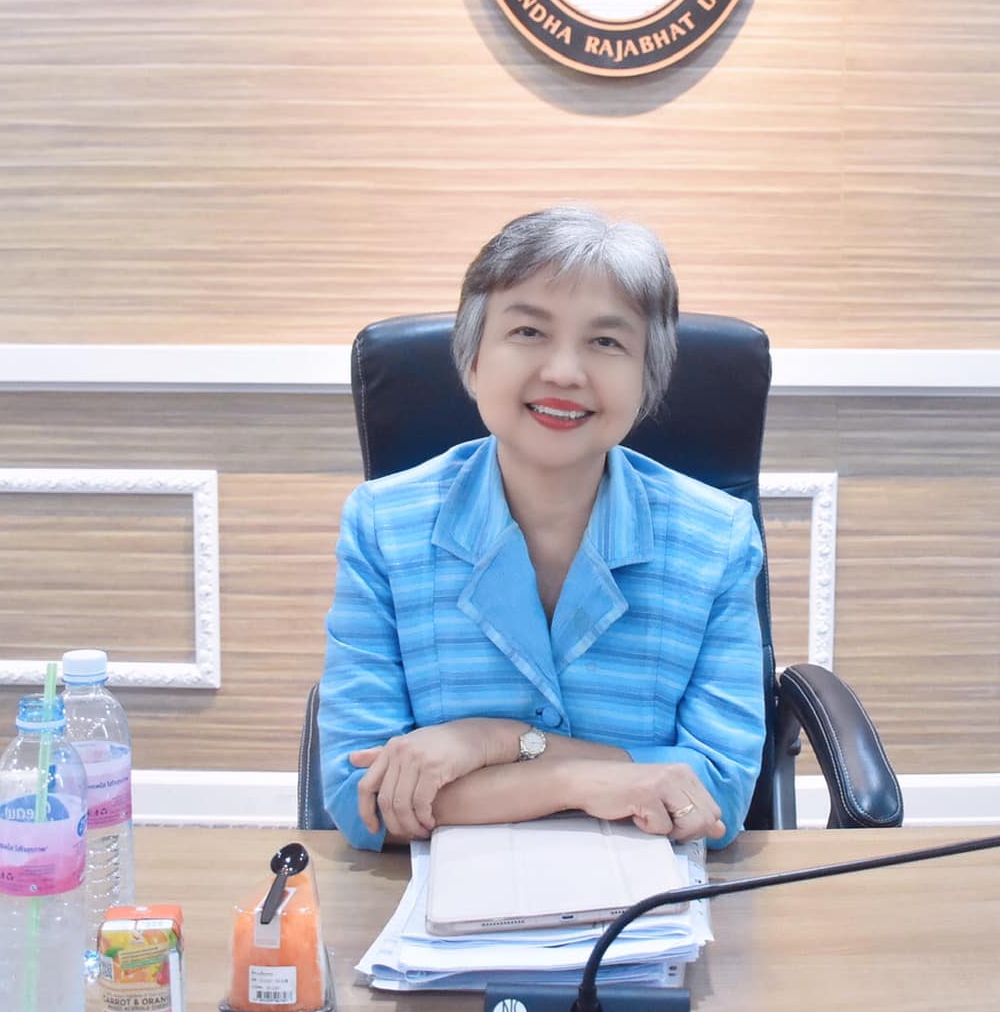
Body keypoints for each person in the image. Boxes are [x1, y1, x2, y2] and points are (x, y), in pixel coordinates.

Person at [317, 206, 767, 852]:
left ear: (648, 379)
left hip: (650, 896)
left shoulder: (716, 537)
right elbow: (359, 796)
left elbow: (717, 790)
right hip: (442, 897)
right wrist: (579, 780)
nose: (563, 372)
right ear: (472, 358)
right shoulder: (384, 525)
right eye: (528, 330)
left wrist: (492, 742)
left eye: (606, 342)